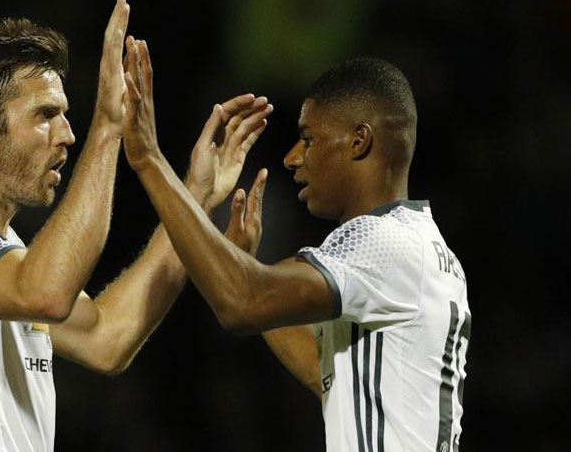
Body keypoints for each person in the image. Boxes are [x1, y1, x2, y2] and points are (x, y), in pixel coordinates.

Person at [0, 0, 272, 451]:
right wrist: (108, 127)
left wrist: (193, 198)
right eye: (45, 115)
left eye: (66, 115)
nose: (67, 134)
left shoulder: (7, 257)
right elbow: (47, 293)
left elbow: (108, 338)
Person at [120, 43, 471, 451]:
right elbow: (329, 377)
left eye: (308, 139)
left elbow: (241, 302)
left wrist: (148, 158)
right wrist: (245, 265)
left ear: (359, 142)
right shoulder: (431, 248)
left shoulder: (380, 242)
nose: (291, 158)